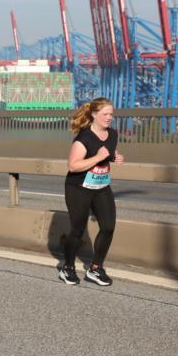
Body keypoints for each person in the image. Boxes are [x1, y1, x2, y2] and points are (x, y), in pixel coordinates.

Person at [60, 98, 124, 286]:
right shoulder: (84, 138)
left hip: (101, 186)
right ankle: (67, 268)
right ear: (94, 114)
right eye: (105, 114)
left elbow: (109, 151)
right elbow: (73, 166)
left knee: (108, 227)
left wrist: (116, 157)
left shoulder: (113, 134)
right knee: (78, 230)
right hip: (78, 188)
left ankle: (95, 268)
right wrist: (97, 157)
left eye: (111, 114)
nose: (109, 117)